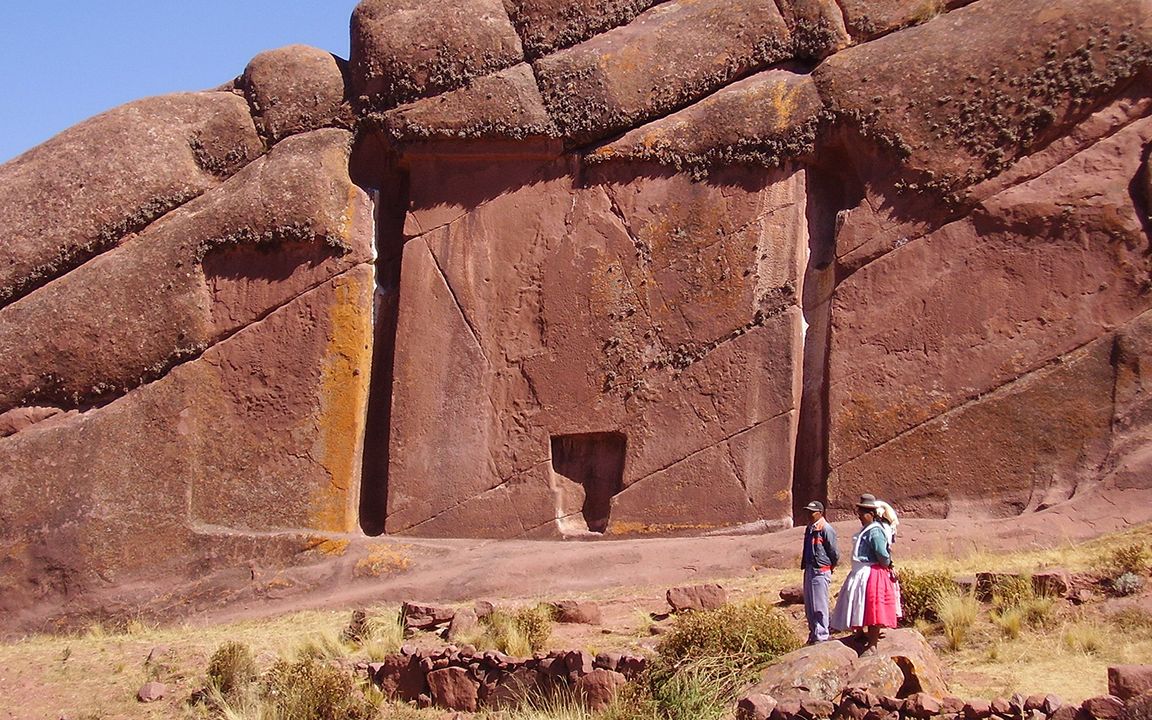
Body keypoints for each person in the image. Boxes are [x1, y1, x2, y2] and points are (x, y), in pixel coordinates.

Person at [830, 494, 899, 655]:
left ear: (871, 514)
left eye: (862, 513)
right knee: (858, 603)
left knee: (872, 607)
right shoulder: (866, 530)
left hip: (872, 573)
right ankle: (860, 633)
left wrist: (887, 564)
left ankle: (873, 644)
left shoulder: (875, 532)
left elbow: (882, 554)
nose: (860, 516)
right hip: (861, 572)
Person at [800, 500, 839, 644]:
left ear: (820, 513)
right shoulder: (810, 528)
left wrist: (830, 567)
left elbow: (834, 552)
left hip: (821, 570)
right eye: (808, 512)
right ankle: (813, 634)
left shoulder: (826, 529)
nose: (809, 515)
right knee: (810, 604)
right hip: (810, 568)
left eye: (812, 512)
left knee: (819, 603)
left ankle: (822, 635)